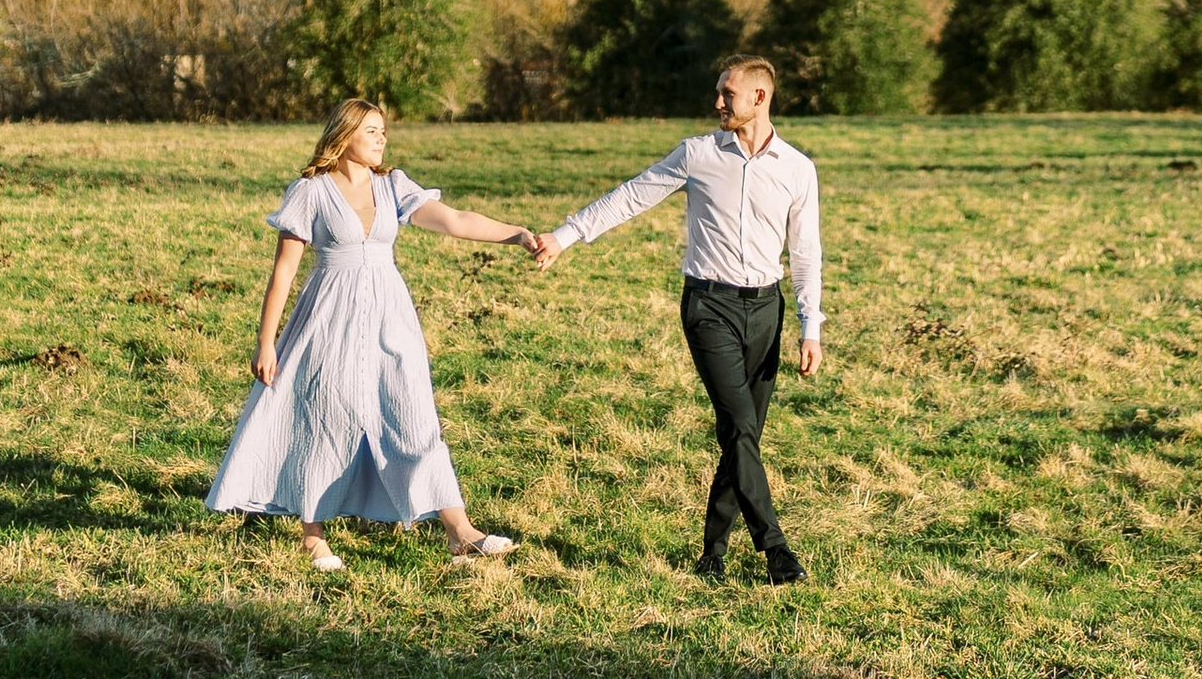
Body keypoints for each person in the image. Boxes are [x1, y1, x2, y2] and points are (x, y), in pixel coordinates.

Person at [529, 55, 822, 583]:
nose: (717, 102)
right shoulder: (697, 154)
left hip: (766, 309)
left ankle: (712, 553)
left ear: (759, 97)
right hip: (709, 306)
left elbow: (806, 253)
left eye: (727, 93)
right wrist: (566, 235)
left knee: (743, 434)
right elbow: (630, 197)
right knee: (739, 426)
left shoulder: (798, 169)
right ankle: (775, 549)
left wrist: (810, 326)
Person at [206, 96, 525, 571]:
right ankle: (312, 535)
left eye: (383, 131)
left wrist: (516, 234)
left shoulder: (393, 186)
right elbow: (284, 273)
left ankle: (461, 534)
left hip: (390, 317)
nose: (382, 138)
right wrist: (266, 341)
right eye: (372, 130)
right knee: (322, 415)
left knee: (413, 414)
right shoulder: (310, 191)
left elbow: (455, 220)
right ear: (345, 133)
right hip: (328, 317)